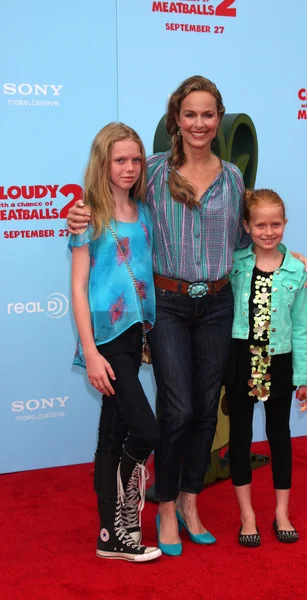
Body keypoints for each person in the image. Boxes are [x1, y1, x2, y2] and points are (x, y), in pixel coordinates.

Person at [67, 76, 307, 557]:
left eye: (208, 114)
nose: (199, 123)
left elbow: (249, 243)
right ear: (174, 120)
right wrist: (79, 214)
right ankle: (162, 508)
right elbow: (110, 202)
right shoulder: (154, 172)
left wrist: (293, 258)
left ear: (218, 119)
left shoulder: (234, 180)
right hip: (171, 305)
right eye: (190, 114)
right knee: (177, 409)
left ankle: (189, 500)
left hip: (219, 303)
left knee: (205, 410)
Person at [69, 122, 161, 562]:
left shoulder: (143, 211)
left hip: (135, 333)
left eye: (135, 159)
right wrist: (89, 352)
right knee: (146, 429)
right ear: (103, 162)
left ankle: (110, 536)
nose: (128, 168)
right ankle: (125, 517)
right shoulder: (88, 214)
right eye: (120, 160)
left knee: (113, 434)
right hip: (105, 338)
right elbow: (79, 287)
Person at [226, 188, 307, 548]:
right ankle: (247, 514)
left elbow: (303, 327)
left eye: (276, 224)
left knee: (280, 437)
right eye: (260, 224)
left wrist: (303, 378)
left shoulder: (297, 270)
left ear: (286, 224)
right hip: (241, 360)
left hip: (279, 363)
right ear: (246, 226)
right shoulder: (234, 265)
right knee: (241, 438)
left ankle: (281, 512)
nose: (268, 231)